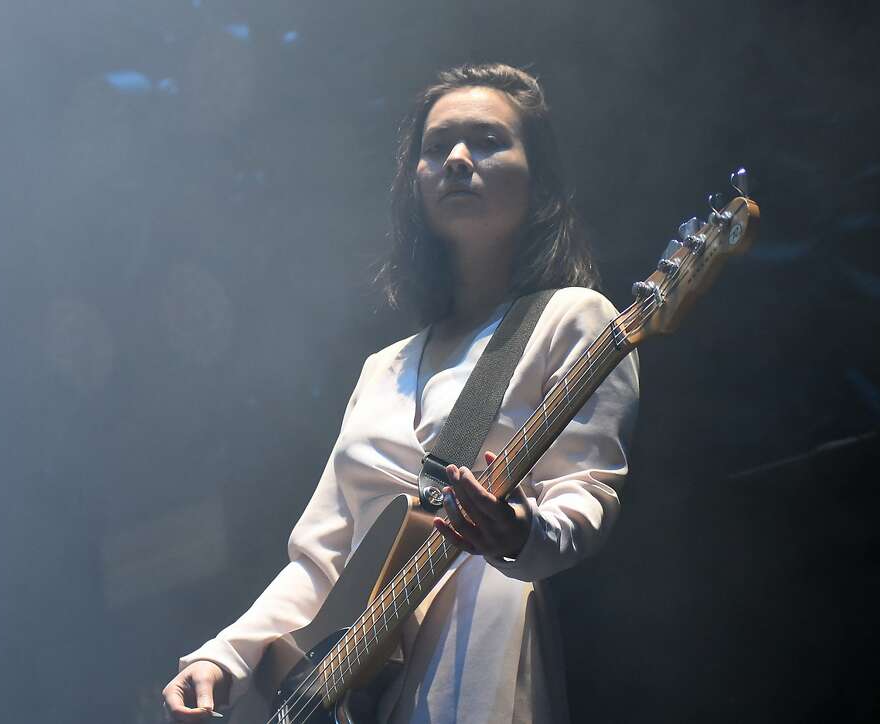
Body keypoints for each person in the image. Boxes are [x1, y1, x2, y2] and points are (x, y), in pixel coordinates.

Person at [162, 63, 640, 723]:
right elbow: (323, 559)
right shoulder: (382, 368)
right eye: (437, 146)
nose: (457, 160)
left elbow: (588, 494)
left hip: (476, 645)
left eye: (488, 141)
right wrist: (225, 656)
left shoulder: (574, 317)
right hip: (360, 691)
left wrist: (518, 530)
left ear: (540, 182)